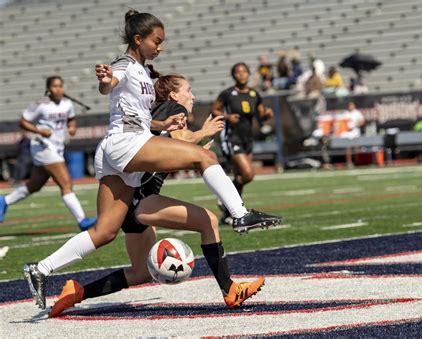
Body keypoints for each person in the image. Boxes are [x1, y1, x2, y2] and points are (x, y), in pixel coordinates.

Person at [23, 10, 281, 310]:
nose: (160, 46)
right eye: (156, 41)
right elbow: (111, 82)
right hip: (125, 143)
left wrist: (162, 126)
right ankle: (240, 214)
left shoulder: (144, 72)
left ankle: (40, 269)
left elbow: (137, 115)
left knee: (104, 232)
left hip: (119, 148)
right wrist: (106, 80)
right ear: (138, 39)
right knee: (204, 157)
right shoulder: (125, 64)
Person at [48, 74, 264, 317]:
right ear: (173, 95)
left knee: (140, 272)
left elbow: (169, 146)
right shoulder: (175, 107)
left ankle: (76, 293)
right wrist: (202, 134)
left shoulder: (156, 110)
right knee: (208, 221)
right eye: (188, 90)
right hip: (141, 200)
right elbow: (180, 138)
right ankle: (230, 289)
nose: (192, 96)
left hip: (129, 203)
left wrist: (194, 147)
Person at [0, 76, 96, 230]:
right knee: (66, 183)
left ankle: (4, 201)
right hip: (43, 147)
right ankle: (82, 220)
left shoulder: (67, 103)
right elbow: (23, 121)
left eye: (61, 86)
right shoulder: (41, 104)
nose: (58, 89)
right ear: (48, 88)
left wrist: (72, 128)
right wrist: (39, 131)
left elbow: (71, 119)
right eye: (55, 86)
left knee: (35, 185)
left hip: (56, 147)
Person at [211, 62, 274, 225]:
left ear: (248, 74)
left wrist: (267, 114)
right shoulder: (227, 93)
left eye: (244, 71)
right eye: (238, 72)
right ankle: (225, 199)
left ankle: (227, 211)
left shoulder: (254, 94)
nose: (241, 75)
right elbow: (214, 109)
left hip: (247, 139)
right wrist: (227, 117)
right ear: (233, 75)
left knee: (241, 176)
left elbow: (261, 116)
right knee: (248, 174)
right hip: (232, 137)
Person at [334, 102, 365, 167]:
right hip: (347, 133)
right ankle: (349, 162)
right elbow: (342, 123)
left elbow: (362, 122)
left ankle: (358, 162)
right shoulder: (345, 113)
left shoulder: (357, 113)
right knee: (348, 147)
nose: (351, 107)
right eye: (349, 105)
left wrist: (355, 125)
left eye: (352, 105)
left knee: (356, 147)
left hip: (355, 132)